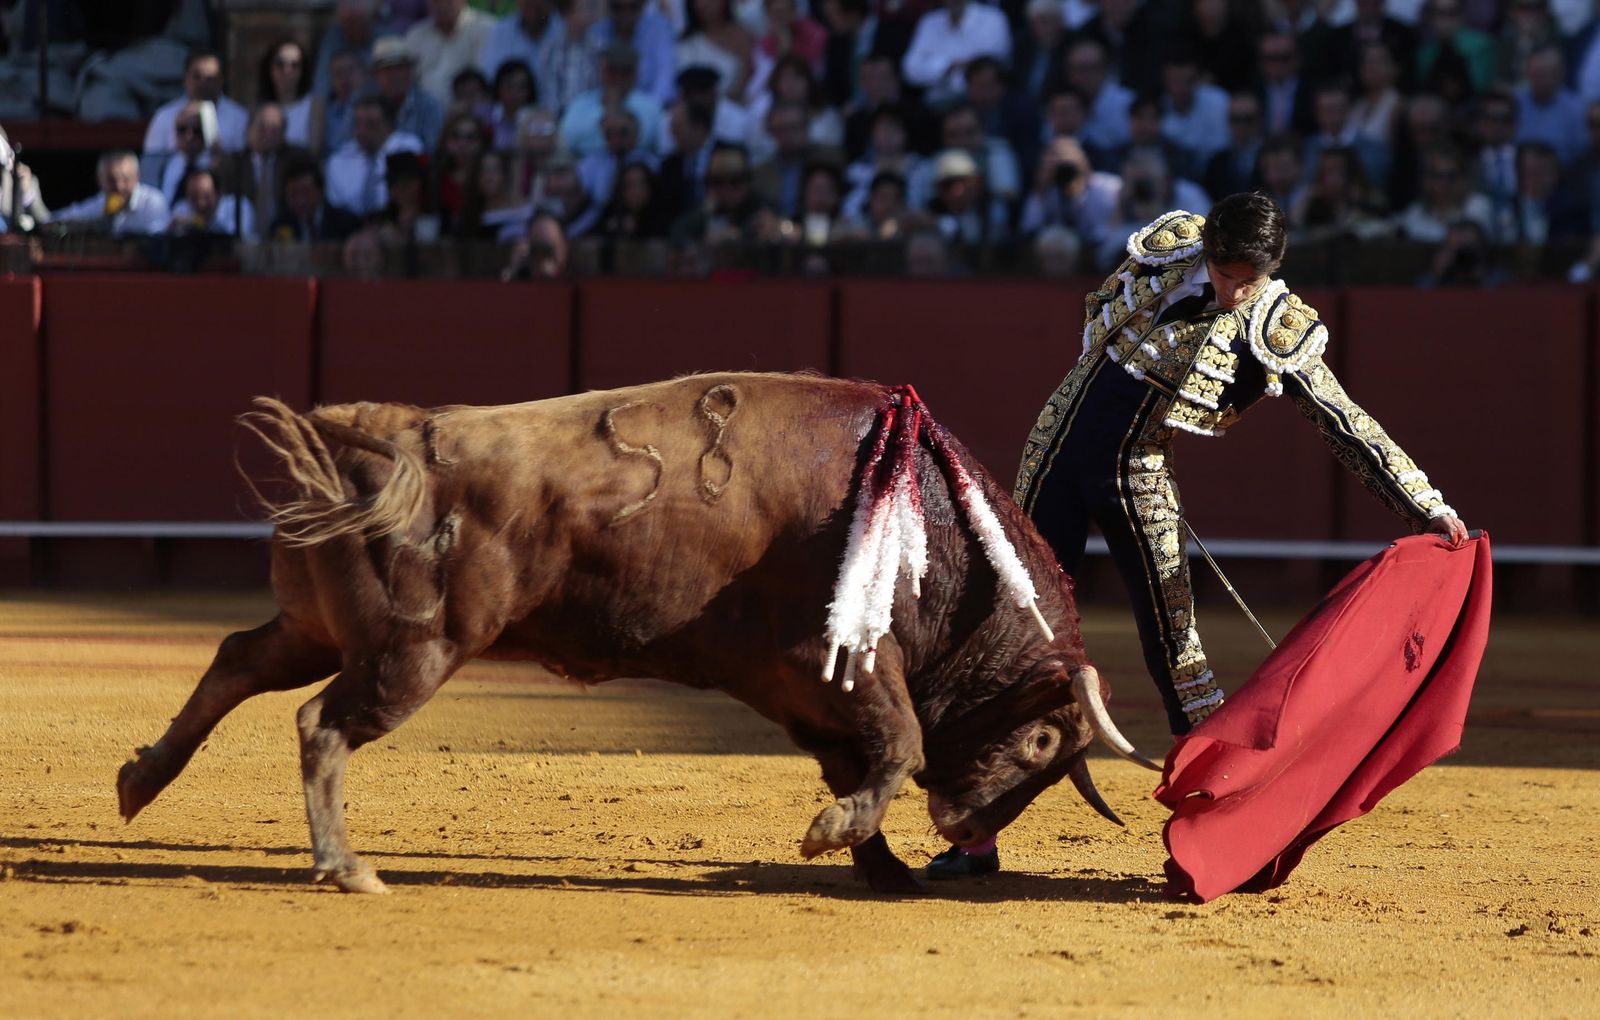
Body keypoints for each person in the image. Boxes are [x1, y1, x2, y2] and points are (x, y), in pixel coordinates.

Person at [927, 192, 1468, 879]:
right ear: (1206, 250)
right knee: (1009, 634)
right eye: (1225, 272)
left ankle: (1222, 832)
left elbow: (1342, 418)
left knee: (1177, 651)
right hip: (1054, 449)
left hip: (1139, 473)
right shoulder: (1168, 249)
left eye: (1250, 278)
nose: (1235, 290)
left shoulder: (1275, 324)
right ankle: (975, 836)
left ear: (1273, 267)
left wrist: (1423, 504)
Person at [54, 149, 170, 235]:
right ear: (99, 181)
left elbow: (158, 238)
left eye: (125, 179)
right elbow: (62, 219)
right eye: (111, 181)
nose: (119, 186)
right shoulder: (101, 203)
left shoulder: (154, 202)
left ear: (137, 177)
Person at [269, 159, 364, 241]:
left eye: (305, 192)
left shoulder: (346, 224)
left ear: (321, 191)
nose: (300, 201)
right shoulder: (279, 225)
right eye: (293, 194)